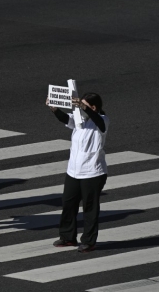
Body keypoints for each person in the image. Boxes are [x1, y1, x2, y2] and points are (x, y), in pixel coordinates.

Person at [47, 92, 109, 253]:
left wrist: (84, 108)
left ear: (93, 107)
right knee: (68, 204)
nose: (78, 108)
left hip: (93, 173)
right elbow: (66, 119)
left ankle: (89, 241)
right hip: (73, 171)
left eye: (83, 105)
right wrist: (54, 109)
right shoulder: (80, 119)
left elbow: (99, 122)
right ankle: (68, 237)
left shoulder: (102, 120)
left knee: (89, 208)